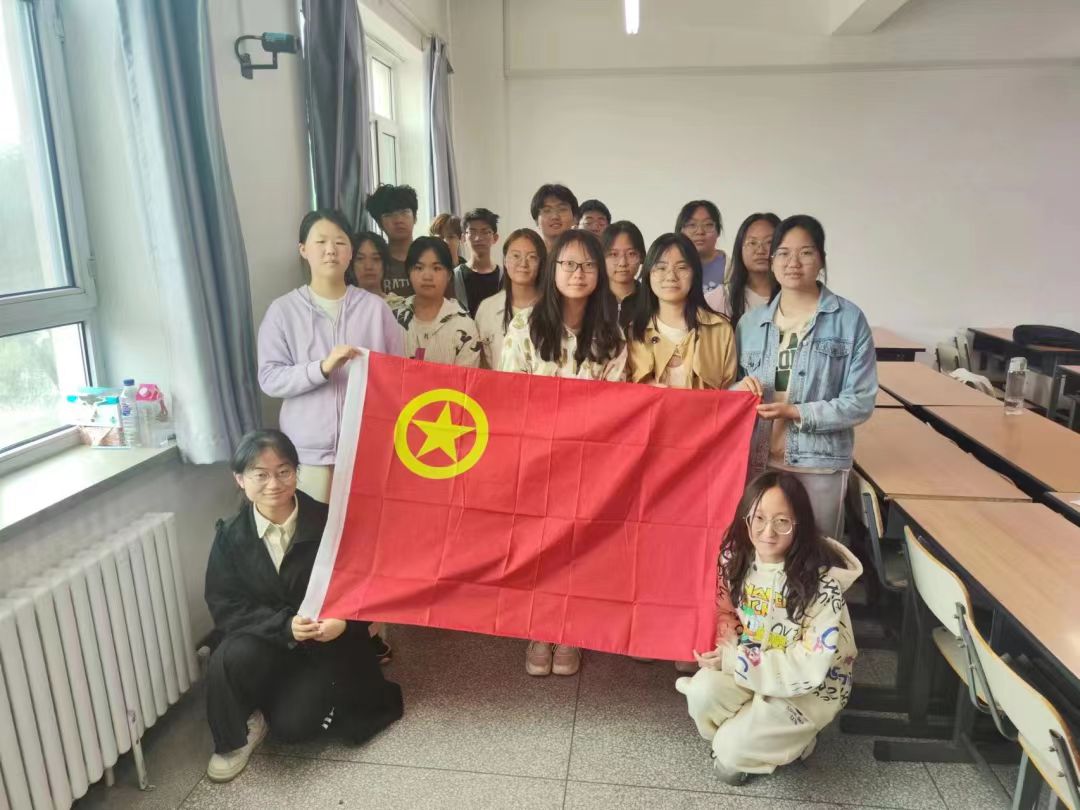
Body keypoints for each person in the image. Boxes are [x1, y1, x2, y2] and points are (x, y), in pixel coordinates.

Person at [204, 430, 404, 783]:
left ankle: (280, 703)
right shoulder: (230, 536)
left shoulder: (331, 523)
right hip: (266, 639)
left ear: (297, 472)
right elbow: (225, 604)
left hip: (324, 644)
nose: (273, 484)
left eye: (283, 471)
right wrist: (284, 626)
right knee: (229, 656)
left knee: (294, 728)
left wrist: (344, 621)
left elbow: (366, 584)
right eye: (260, 474)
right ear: (240, 479)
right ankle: (237, 734)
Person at [675, 470, 861, 785]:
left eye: (782, 521)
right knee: (702, 692)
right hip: (751, 665)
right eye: (758, 518)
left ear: (799, 524)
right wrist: (726, 649)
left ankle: (788, 739)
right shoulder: (736, 558)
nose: (768, 532)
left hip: (804, 689)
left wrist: (737, 662)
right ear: (745, 518)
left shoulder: (822, 585)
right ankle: (754, 732)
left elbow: (809, 666)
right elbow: (726, 612)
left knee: (729, 757)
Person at [501, 229, 626, 677]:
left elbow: (614, 407)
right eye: (569, 264)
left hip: (589, 465)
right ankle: (539, 630)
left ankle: (570, 629)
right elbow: (510, 397)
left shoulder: (612, 336)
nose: (578, 273)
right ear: (553, 270)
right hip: (537, 460)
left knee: (578, 548)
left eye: (588, 265)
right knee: (540, 548)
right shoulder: (524, 326)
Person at [735, 215, 877, 538]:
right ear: (772, 261)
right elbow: (731, 391)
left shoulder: (849, 320)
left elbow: (860, 402)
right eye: (783, 253)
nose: (793, 263)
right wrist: (738, 389)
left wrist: (797, 412)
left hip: (819, 464)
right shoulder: (750, 324)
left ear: (821, 260)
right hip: (760, 462)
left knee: (818, 553)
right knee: (763, 554)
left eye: (806, 253)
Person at [258, 209, 404, 504]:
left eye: (339, 242)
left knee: (366, 528)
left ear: (350, 252)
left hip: (368, 449)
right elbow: (270, 378)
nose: (330, 250)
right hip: (308, 454)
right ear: (303, 249)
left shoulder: (375, 309)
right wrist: (321, 369)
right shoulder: (283, 311)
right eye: (321, 241)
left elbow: (400, 378)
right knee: (314, 529)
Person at [626, 232, 737, 390]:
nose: (671, 276)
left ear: (695, 274)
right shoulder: (634, 332)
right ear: (648, 273)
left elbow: (730, 397)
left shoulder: (721, 330)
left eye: (682, 267)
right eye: (661, 268)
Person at [391, 236, 482, 367]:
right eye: (419, 268)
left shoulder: (464, 326)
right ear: (409, 272)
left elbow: (465, 378)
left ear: (449, 274)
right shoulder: (393, 318)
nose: (427, 276)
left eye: (436, 268)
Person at [474, 227, 544, 370]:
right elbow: (481, 362)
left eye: (532, 257)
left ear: (541, 263)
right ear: (505, 261)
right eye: (516, 256)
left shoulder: (553, 307)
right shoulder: (487, 308)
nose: (523, 263)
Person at [706, 213, 781, 326]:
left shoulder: (794, 296)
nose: (760, 250)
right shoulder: (722, 297)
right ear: (740, 249)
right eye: (752, 243)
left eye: (769, 242)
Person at [365, 184, 418, 296]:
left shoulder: (429, 258)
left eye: (404, 212)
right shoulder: (375, 263)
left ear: (415, 218)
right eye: (389, 215)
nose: (398, 220)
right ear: (379, 224)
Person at [452, 208, 502, 317]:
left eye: (485, 232)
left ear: (495, 238)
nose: (478, 238)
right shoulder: (454, 277)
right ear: (463, 238)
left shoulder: (505, 277)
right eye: (472, 232)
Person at [675, 200, 727, 295]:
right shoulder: (669, 268)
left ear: (718, 231)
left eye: (708, 225)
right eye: (692, 225)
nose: (700, 232)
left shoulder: (732, 269)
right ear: (680, 231)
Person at [602, 220, 645, 325]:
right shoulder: (590, 299)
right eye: (613, 254)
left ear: (641, 257)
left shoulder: (650, 300)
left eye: (631, 254)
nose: (623, 263)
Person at [346, 230, 403, 306]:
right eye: (360, 258)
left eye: (376, 258)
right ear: (351, 263)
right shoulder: (343, 306)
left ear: (385, 264)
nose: (368, 266)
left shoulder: (399, 306)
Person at [530, 183, 580, 249]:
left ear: (575, 218)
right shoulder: (529, 253)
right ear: (536, 221)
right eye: (547, 210)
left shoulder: (586, 253)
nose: (555, 216)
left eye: (562, 209)